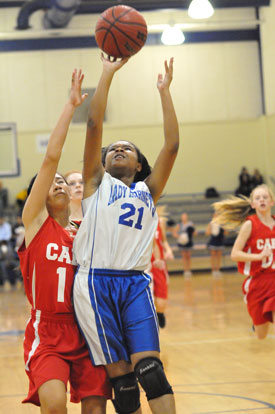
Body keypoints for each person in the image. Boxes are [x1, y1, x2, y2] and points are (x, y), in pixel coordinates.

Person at [73, 54, 179, 414]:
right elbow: (93, 124)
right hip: (95, 284)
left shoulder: (149, 191)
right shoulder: (94, 185)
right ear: (102, 163)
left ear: (138, 164)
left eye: (127, 148)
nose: (118, 148)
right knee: (124, 384)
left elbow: (173, 146)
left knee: (151, 372)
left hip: (134, 283)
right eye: (113, 148)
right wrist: (107, 73)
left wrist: (164, 92)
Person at [17, 69, 111, 412]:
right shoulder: (37, 224)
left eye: (62, 182)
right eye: (51, 183)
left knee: (96, 408)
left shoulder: (85, 231)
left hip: (86, 328)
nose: (57, 184)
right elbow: (50, 159)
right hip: (49, 332)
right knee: (54, 405)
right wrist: (71, 106)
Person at [213, 184, 275, 340]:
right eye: (258, 198)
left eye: (265, 197)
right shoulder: (250, 225)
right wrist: (258, 256)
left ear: (271, 202)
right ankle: (256, 324)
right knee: (261, 334)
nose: (262, 200)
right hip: (257, 283)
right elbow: (235, 254)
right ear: (253, 204)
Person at [149, 205, 174, 328]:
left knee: (161, 297)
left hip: (158, 263)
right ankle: (152, 318)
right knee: (149, 295)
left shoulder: (160, 221)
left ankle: (160, 313)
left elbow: (164, 241)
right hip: (145, 264)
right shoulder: (141, 219)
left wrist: (168, 250)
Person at [173, 212, 196, 278]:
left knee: (188, 256)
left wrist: (190, 235)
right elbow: (174, 233)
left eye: (185, 217)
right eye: (183, 217)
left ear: (187, 217)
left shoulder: (190, 224)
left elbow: (194, 232)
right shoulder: (179, 225)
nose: (184, 218)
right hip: (182, 243)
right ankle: (185, 270)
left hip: (189, 242)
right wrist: (180, 237)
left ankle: (189, 270)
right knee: (184, 257)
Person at [205, 213, 225, 277]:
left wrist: (224, 226)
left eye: (217, 215)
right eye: (215, 215)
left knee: (219, 257)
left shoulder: (221, 223)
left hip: (220, 241)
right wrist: (211, 229)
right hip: (213, 241)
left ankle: (218, 270)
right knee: (213, 256)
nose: (216, 216)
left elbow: (225, 233)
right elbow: (207, 233)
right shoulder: (211, 223)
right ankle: (213, 270)